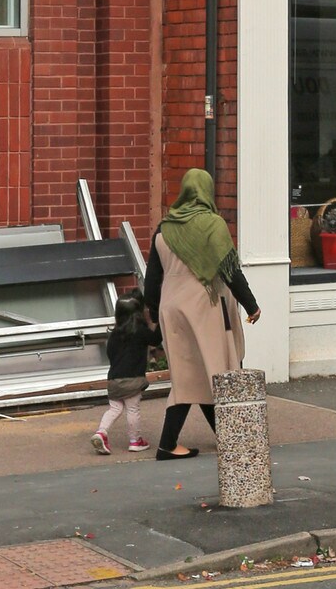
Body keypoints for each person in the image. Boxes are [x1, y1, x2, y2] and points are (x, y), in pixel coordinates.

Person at [144, 167, 260, 460]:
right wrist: (251, 305)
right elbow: (230, 271)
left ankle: (181, 442)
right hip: (204, 310)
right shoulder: (213, 225)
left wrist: (153, 314)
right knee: (217, 373)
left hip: (172, 309)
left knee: (189, 376)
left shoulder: (164, 229)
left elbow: (152, 277)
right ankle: (224, 437)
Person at [94, 291, 157, 453]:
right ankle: (135, 441)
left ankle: (101, 432)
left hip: (114, 380)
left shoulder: (114, 334)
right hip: (132, 380)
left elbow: (110, 354)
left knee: (114, 409)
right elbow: (156, 340)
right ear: (139, 313)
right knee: (132, 409)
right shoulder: (140, 331)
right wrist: (158, 322)